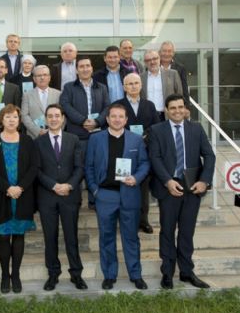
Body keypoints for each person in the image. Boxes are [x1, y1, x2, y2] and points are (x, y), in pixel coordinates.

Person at [149, 94, 215, 290]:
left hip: (192, 187)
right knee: (167, 231)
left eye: (180, 107)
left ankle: (186, 272)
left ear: (185, 109)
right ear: (166, 111)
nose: (177, 111)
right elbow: (155, 158)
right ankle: (167, 273)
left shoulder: (196, 128)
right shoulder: (156, 130)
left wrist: (205, 181)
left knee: (187, 232)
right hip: (169, 188)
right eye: (173, 108)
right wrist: (168, 181)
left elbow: (209, 155)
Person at [84, 103, 150, 291]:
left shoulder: (136, 140)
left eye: (121, 116)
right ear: (107, 119)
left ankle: (136, 275)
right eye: (113, 116)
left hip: (129, 195)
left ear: (126, 120)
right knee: (106, 237)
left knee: (131, 237)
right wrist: (95, 190)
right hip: (105, 195)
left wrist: (136, 178)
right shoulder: (96, 139)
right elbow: (88, 167)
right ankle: (109, 275)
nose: (117, 120)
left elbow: (145, 164)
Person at [0, 105, 40, 294]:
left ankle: (15, 274)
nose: (11, 120)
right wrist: (7, 188)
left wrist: (20, 187)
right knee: (3, 236)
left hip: (22, 195)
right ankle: (4, 275)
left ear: (19, 120)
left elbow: (34, 167)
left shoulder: (27, 141)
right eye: (7, 117)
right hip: (1, 195)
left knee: (18, 236)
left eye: (15, 117)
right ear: (1, 120)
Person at [35, 104, 87, 291]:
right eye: (50, 116)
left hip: (69, 195)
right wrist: (54, 186)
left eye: (57, 115)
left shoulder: (74, 140)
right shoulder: (38, 142)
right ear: (45, 119)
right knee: (50, 237)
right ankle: (53, 274)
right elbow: (37, 170)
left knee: (71, 236)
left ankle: (76, 274)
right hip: (47, 196)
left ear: (63, 118)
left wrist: (69, 185)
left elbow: (80, 167)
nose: (54, 119)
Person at [112, 73, 160, 234]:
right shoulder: (118, 105)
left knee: (143, 188)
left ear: (141, 85)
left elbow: (156, 127)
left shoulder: (150, 105)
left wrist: (145, 135)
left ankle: (143, 220)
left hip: (143, 153)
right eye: (130, 84)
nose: (133, 86)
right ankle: (124, 221)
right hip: (123, 151)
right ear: (124, 87)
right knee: (123, 186)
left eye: (136, 83)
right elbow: (114, 125)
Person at [59, 57, 110, 208]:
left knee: (96, 167)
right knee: (77, 167)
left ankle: (94, 200)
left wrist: (97, 121)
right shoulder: (69, 87)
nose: (85, 69)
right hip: (77, 135)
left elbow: (107, 107)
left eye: (88, 66)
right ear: (76, 70)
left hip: (97, 134)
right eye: (81, 66)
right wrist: (82, 120)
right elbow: (65, 105)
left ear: (92, 68)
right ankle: (76, 199)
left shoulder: (101, 87)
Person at [140, 50, 183, 121]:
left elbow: (179, 95)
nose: (152, 62)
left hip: (167, 115)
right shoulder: (140, 77)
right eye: (148, 60)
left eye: (154, 58)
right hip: (148, 116)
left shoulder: (173, 74)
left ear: (159, 59)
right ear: (145, 62)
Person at [21, 65, 60, 138]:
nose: (42, 78)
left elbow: (63, 115)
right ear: (34, 79)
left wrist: (55, 130)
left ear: (49, 77)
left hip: (55, 135)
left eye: (45, 75)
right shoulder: (27, 95)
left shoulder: (58, 94)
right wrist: (38, 131)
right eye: (39, 75)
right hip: (34, 136)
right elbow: (24, 116)